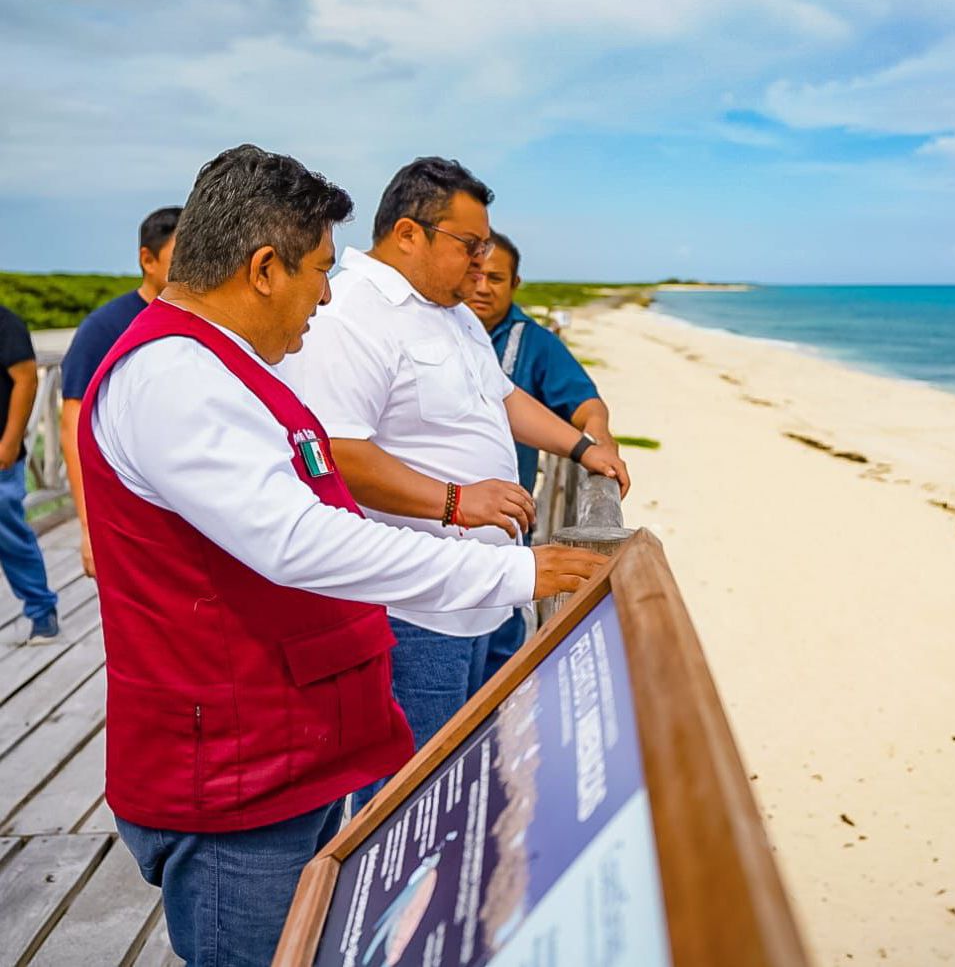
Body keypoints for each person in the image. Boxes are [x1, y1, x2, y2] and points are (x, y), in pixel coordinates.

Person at [79, 144, 605, 967]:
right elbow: (297, 540)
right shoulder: (173, 376)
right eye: (320, 270)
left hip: (292, 752)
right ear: (262, 269)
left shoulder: (228, 363)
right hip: (235, 779)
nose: (327, 294)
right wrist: (511, 569)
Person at [281, 159, 629, 796]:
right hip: (415, 613)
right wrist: (454, 502)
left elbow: (503, 397)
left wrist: (583, 447)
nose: (480, 263)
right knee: (411, 795)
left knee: (480, 776)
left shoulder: (452, 310)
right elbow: (336, 452)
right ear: (410, 233)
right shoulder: (352, 315)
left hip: (490, 598)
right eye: (470, 246)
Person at [467, 231, 618, 678]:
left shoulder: (533, 341)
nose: (482, 286)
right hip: (439, 521)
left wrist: (598, 439)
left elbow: (585, 401)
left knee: (500, 654)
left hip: (508, 521)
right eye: (475, 273)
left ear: (514, 284)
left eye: (496, 277)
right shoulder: (442, 325)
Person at [59, 206, 179, 577]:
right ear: (148, 259)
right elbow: (72, 424)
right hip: (125, 510)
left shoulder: (196, 323)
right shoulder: (105, 327)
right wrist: (87, 526)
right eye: (182, 257)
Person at [0, 304, 59, 643]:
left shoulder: (6, 323)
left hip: (2, 460)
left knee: (10, 536)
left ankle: (41, 609)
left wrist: (9, 442)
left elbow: (25, 379)